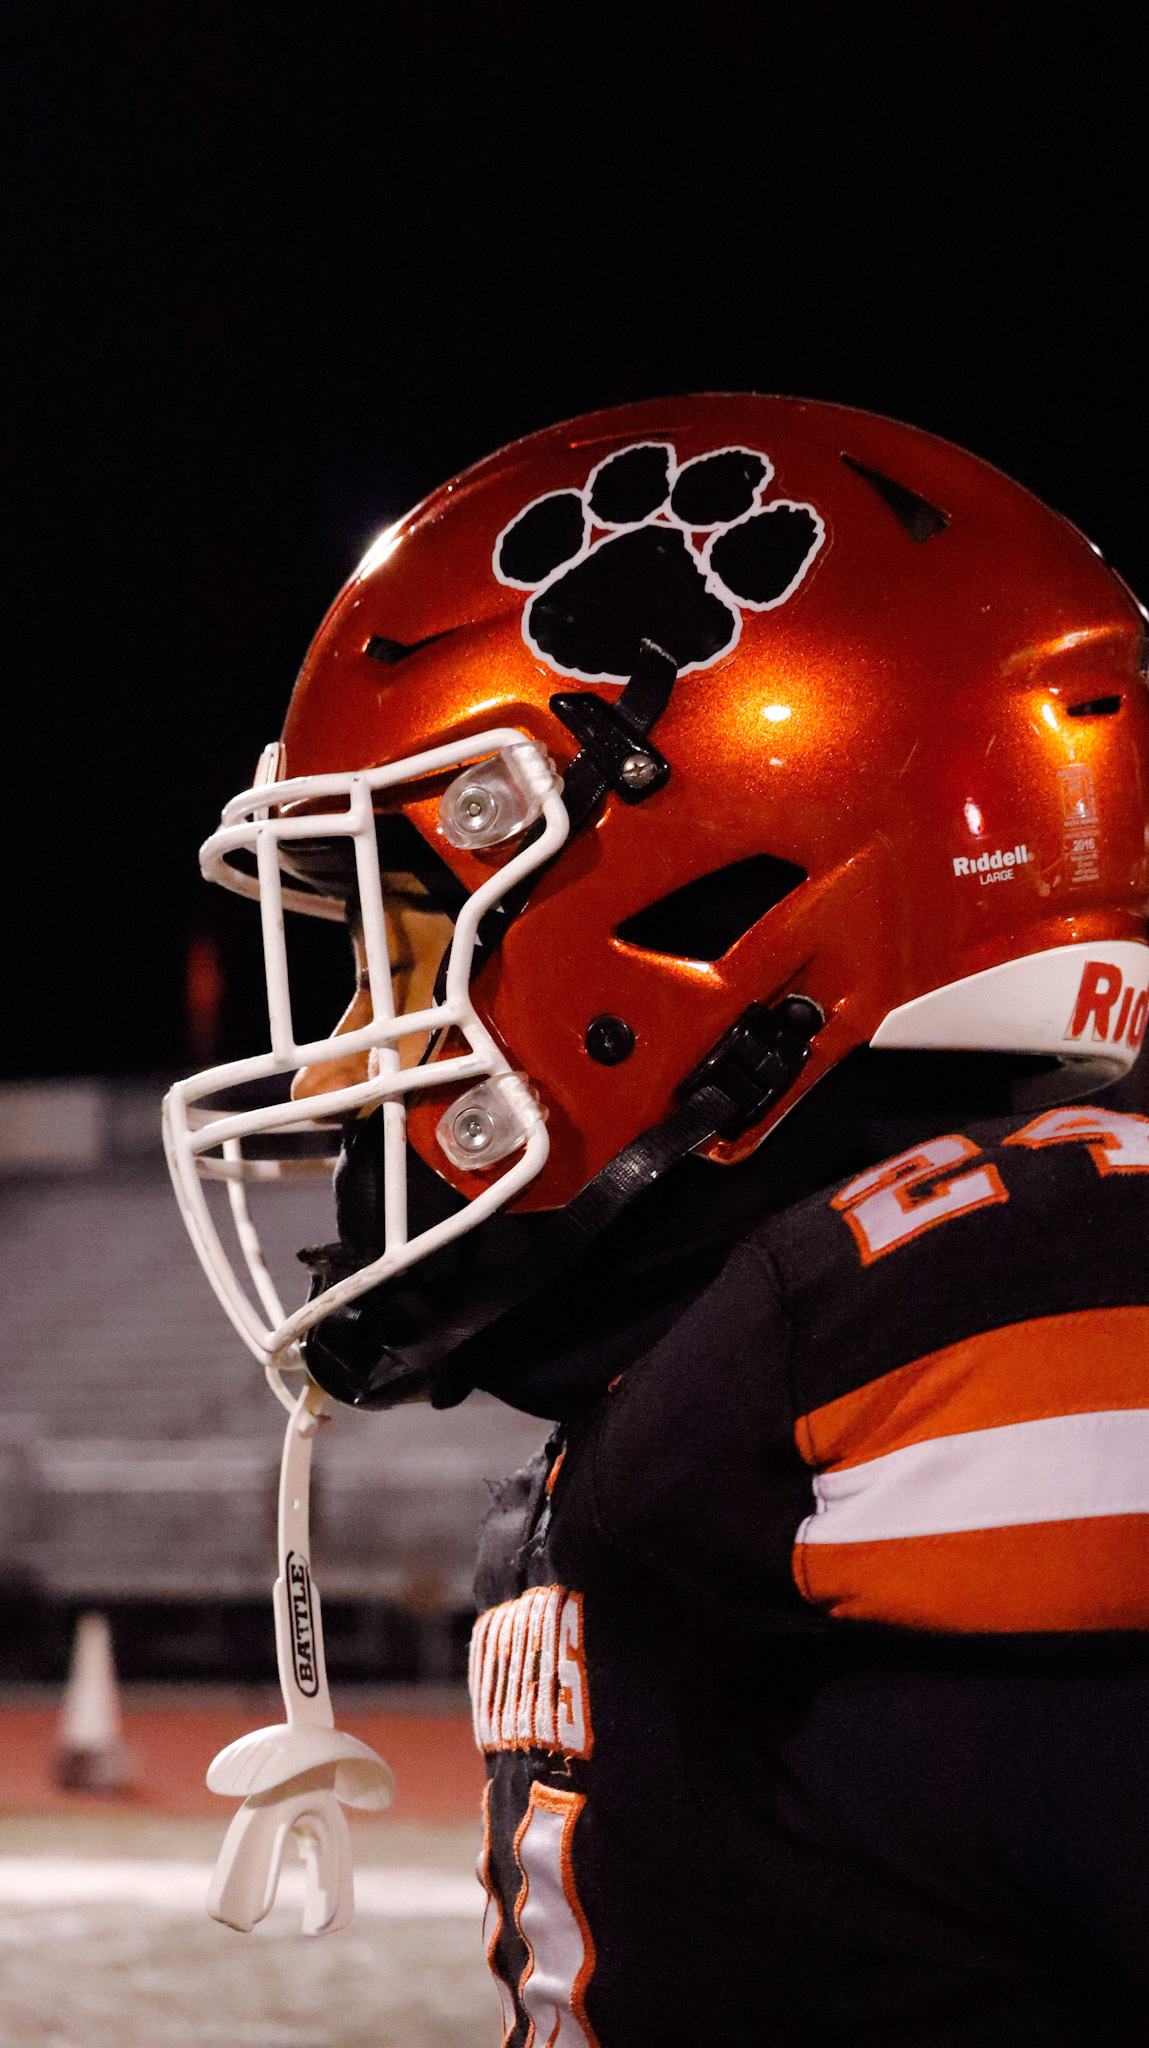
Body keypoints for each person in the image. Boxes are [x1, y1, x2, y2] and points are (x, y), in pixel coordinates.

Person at [165, 395, 1149, 2044]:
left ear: (704, 911)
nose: (340, 1061)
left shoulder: (998, 1337)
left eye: (407, 952)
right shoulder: (744, 1359)